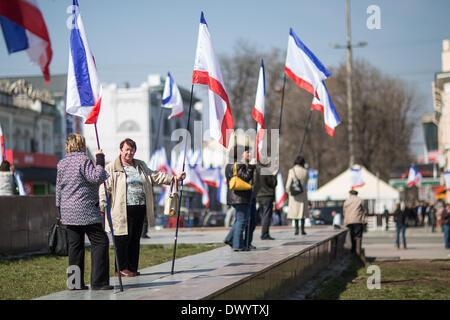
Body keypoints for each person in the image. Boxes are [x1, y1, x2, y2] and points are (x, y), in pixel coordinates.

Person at [99, 138, 185, 277]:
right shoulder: (111, 168)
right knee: (122, 240)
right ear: (121, 150)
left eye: (132, 150)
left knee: (134, 239)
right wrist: (102, 207)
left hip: (139, 209)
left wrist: (174, 178)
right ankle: (120, 269)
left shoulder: (140, 165)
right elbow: (104, 189)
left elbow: (155, 176)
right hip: (121, 211)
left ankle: (132, 268)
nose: (129, 152)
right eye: (127, 149)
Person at [55, 133, 112, 290]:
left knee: (75, 247)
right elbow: (96, 177)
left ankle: (74, 283)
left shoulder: (62, 163)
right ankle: (99, 282)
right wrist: (100, 160)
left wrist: (59, 210)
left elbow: (58, 188)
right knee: (100, 242)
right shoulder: (83, 160)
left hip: (68, 212)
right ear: (81, 144)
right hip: (85, 210)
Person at [223, 145, 256, 251]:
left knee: (239, 220)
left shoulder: (229, 165)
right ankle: (238, 245)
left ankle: (230, 238)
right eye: (247, 152)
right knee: (242, 220)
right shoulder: (239, 165)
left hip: (233, 196)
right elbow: (246, 178)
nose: (249, 154)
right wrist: (251, 167)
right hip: (240, 196)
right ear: (241, 153)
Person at [285, 155, 309, 235]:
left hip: (294, 194)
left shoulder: (292, 171)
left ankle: (296, 229)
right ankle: (302, 229)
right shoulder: (305, 171)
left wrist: (288, 191)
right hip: (302, 193)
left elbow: (288, 184)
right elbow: (306, 183)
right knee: (302, 213)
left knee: (295, 213)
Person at [255, 161, 277, 240]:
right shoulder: (266, 171)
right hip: (267, 196)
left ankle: (264, 233)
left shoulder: (256, 170)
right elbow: (273, 183)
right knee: (266, 216)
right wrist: (274, 175)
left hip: (259, 196)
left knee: (262, 215)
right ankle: (265, 234)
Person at [343, 189, 367, 255]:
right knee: (358, 236)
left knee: (351, 236)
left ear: (350, 194)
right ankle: (358, 251)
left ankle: (352, 252)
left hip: (348, 221)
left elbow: (344, 212)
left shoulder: (346, 201)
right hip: (358, 220)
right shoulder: (360, 200)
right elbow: (364, 210)